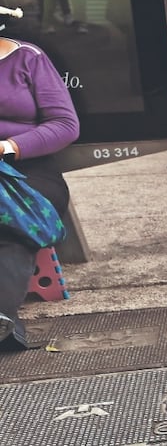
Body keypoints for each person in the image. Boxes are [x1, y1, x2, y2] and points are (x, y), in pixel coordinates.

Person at [0, 31, 79, 344]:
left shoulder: (28, 58)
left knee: (14, 226)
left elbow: (64, 124)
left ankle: (3, 314)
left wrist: (7, 146)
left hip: (28, 169)